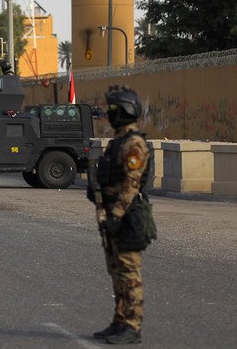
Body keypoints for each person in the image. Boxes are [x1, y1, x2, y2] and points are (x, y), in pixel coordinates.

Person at [88, 86, 153, 345]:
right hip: (113, 215)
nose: (110, 116)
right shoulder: (118, 143)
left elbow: (131, 184)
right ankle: (119, 321)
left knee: (129, 272)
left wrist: (114, 216)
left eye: (114, 111)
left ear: (125, 112)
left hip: (128, 216)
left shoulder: (134, 144)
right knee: (116, 272)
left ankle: (133, 325)